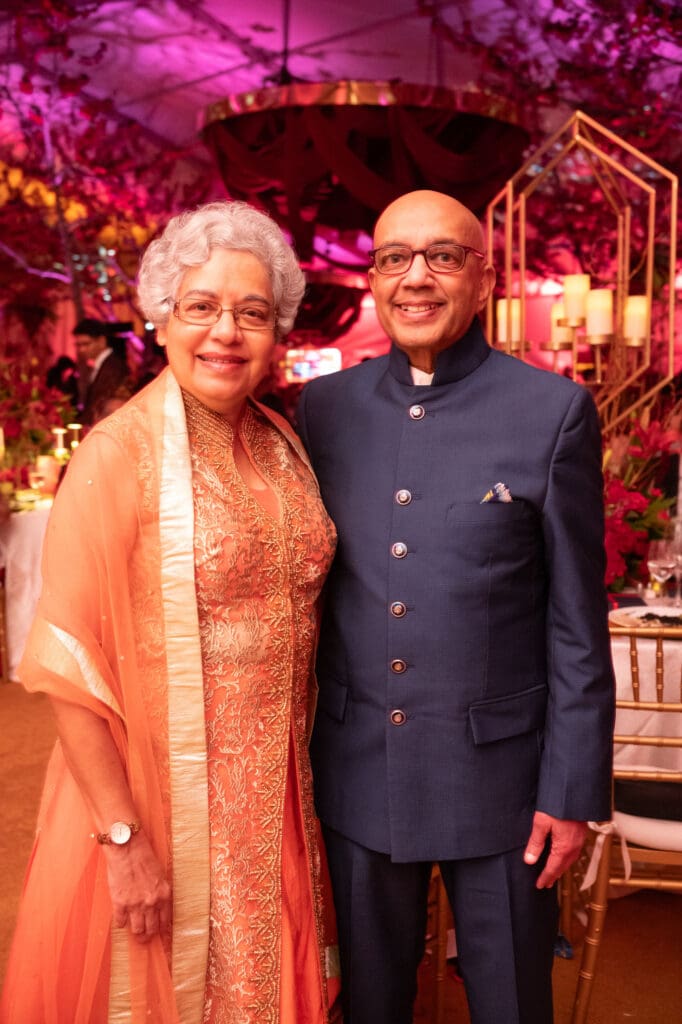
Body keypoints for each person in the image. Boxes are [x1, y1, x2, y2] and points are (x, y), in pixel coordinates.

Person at [1, 201, 341, 1024]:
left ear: (277, 331)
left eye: (251, 313)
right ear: (160, 318)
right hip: (161, 801)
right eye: (202, 307)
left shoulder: (280, 441)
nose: (226, 332)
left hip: (283, 802)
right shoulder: (117, 455)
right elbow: (69, 666)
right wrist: (123, 844)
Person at [296, 189, 615, 1024]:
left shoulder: (553, 413)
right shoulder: (324, 410)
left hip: (505, 788)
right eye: (395, 257)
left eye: (443, 256)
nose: (416, 278)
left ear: (484, 278)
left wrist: (572, 788)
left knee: (510, 1002)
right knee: (366, 1003)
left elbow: (578, 624)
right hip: (357, 771)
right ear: (374, 278)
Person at [73, 317, 129, 424]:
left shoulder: (113, 367)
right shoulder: (103, 365)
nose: (81, 350)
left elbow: (101, 405)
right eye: (78, 345)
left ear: (102, 341)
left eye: (86, 344)